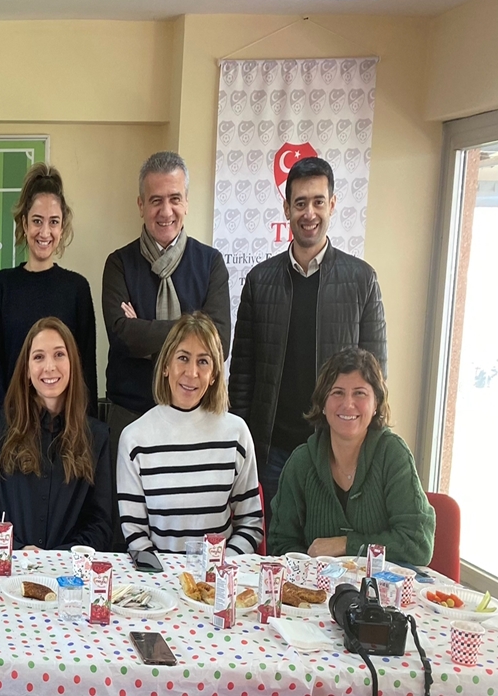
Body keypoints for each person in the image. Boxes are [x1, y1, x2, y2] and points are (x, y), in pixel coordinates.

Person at [229, 156, 387, 521]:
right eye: (300, 203)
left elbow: (376, 377)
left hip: (337, 449)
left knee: (329, 545)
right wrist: (241, 445)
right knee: (273, 544)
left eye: (318, 202)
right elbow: (242, 376)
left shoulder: (362, 280)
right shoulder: (259, 281)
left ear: (332, 204)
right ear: (287, 209)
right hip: (272, 453)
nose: (309, 213)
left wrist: (368, 445)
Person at [102, 152, 230, 475]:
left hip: (196, 417)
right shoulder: (119, 264)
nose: (166, 211)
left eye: (174, 199)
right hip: (130, 413)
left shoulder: (210, 263)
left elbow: (219, 344)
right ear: (141, 205)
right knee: (124, 506)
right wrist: (193, 332)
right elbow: (121, 336)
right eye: (155, 200)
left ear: (186, 202)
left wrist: (144, 330)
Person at [268, 347, 435, 564]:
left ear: (376, 404)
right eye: (337, 392)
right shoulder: (301, 462)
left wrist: (346, 544)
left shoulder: (393, 455)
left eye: (360, 393)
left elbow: (418, 544)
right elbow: (280, 544)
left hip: (382, 584)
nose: (348, 404)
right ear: (323, 404)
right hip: (316, 584)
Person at [117, 312, 263, 556]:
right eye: (183, 358)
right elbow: (134, 531)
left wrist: (218, 569)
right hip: (158, 575)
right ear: (166, 365)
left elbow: (251, 523)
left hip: (219, 574)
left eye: (203, 361)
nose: (192, 372)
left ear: (214, 374)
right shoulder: (134, 439)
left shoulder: (236, 433)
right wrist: (166, 574)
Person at [0, 317, 113, 550]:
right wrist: (16, 549)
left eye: (59, 354)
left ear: (73, 364)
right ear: (27, 369)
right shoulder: (0, 428)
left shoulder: (97, 437)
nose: (49, 367)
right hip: (11, 564)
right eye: (38, 357)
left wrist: (57, 558)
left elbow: (100, 525)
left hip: (70, 568)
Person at [0, 163, 97, 416]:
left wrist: (86, 429)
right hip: (14, 424)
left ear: (62, 227)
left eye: (53, 222)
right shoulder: (0, 286)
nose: (45, 232)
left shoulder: (77, 289)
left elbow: (86, 371)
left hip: (65, 425)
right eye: (37, 221)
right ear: (24, 223)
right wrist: (0, 425)